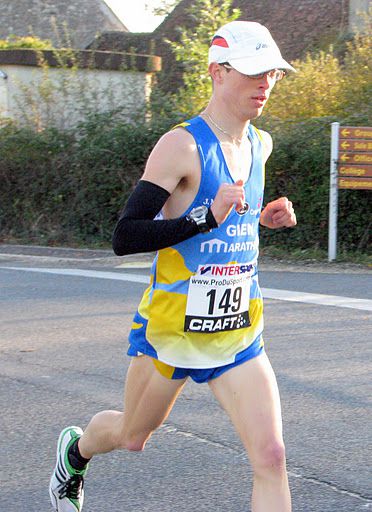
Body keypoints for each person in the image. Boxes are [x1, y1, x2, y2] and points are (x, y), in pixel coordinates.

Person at [49, 20, 297, 512]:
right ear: (217, 72)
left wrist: (261, 221)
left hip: (237, 332)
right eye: (253, 72)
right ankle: (75, 453)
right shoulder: (181, 146)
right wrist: (204, 218)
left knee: (271, 456)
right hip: (172, 330)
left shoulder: (259, 145)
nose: (265, 83)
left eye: (272, 73)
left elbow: (232, 219)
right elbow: (126, 235)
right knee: (131, 435)